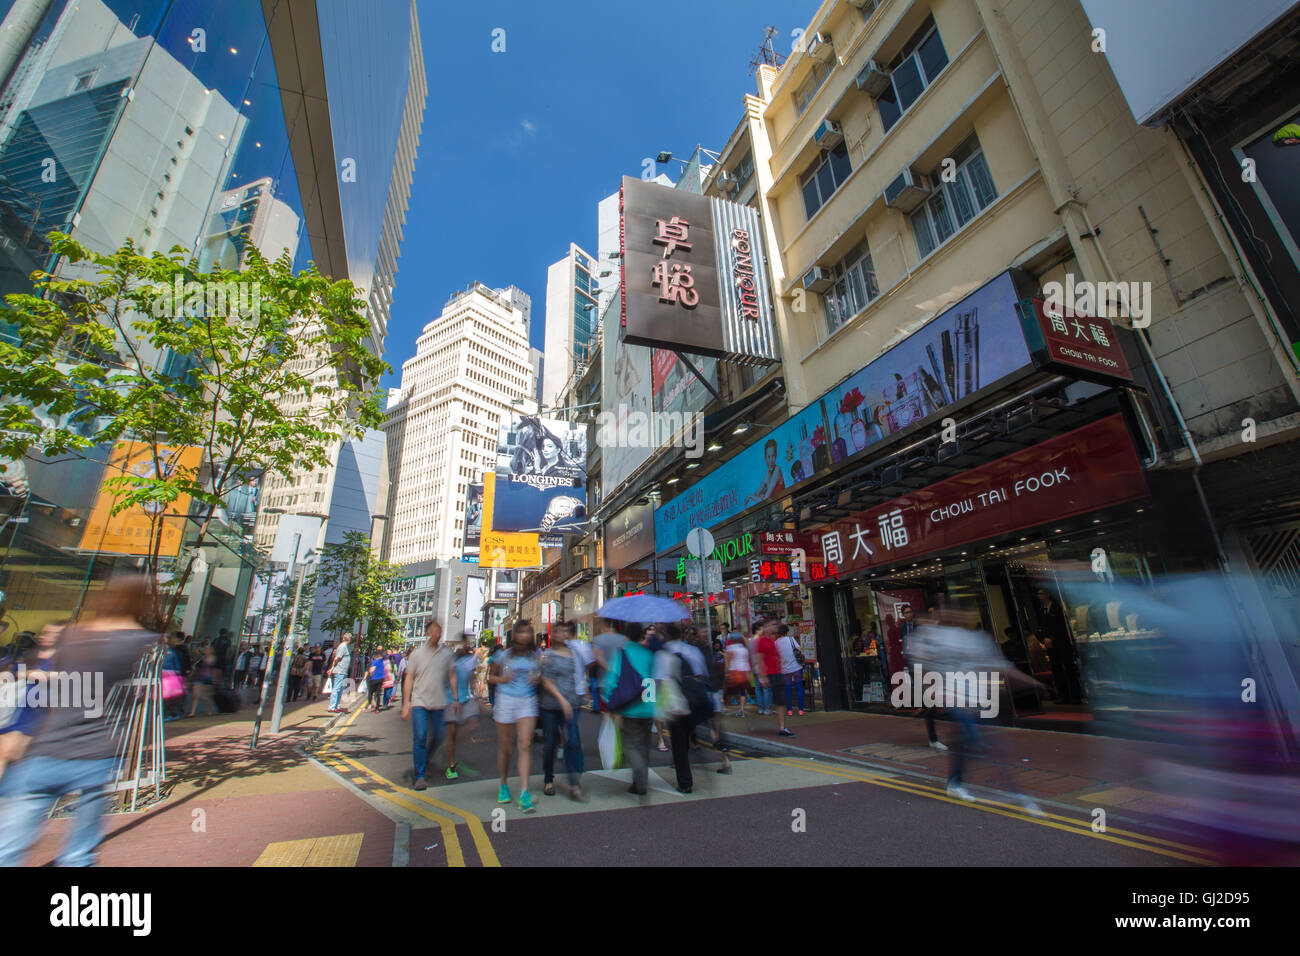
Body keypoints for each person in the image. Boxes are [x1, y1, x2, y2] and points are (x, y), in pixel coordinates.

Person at [0, 574, 158, 866]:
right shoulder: (140, 641)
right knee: (78, 855)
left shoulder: (73, 636)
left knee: (9, 848)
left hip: (47, 748)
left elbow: (54, 693)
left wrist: (23, 732)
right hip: (95, 756)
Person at [908, 604, 1044, 814]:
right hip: (954, 698)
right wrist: (933, 692)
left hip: (977, 700)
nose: (966, 616)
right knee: (979, 740)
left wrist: (1030, 681)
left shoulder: (979, 640)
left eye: (970, 613)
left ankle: (957, 784)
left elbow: (1000, 665)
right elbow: (922, 665)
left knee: (975, 744)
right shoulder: (936, 637)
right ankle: (1014, 792)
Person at [0, 620, 65, 783]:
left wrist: (43, 675)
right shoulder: (30, 656)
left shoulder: (64, 659)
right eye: (46, 633)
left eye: (53, 634)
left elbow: (71, 677)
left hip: (37, 714)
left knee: (10, 754)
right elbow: (12, 674)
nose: (47, 637)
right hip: (14, 711)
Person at [656, 622, 717, 793]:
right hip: (695, 701)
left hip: (676, 702)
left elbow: (660, 681)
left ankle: (685, 782)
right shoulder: (692, 651)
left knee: (678, 741)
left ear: (666, 635)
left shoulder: (663, 654)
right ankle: (697, 758)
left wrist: (659, 705)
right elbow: (702, 675)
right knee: (689, 735)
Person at [488, 621, 541, 812]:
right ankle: (503, 784)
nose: (524, 636)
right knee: (505, 746)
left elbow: (539, 675)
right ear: (515, 635)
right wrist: (503, 679)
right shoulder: (503, 656)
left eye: (528, 632)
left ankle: (524, 792)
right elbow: (490, 677)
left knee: (525, 744)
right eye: (521, 632)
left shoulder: (535, 655)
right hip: (506, 700)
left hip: (527, 700)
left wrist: (537, 678)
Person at [401, 620, 457, 790]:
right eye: (432, 630)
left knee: (439, 736)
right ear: (427, 632)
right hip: (419, 702)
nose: (436, 633)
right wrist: (406, 703)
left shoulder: (446, 654)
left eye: (439, 630)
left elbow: (452, 675)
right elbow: (409, 678)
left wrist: (455, 698)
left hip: (439, 702)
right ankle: (420, 775)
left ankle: (424, 761)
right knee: (420, 736)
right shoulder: (417, 654)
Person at [602, 623, 655, 796]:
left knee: (631, 745)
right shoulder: (649, 654)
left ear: (626, 636)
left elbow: (613, 680)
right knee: (644, 745)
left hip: (630, 708)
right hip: (649, 706)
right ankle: (639, 780)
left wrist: (609, 703)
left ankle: (640, 782)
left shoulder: (622, 653)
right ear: (642, 635)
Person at [538, 621, 584, 800]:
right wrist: (561, 700)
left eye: (565, 631)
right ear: (553, 634)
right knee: (550, 743)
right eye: (558, 631)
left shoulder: (574, 653)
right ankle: (548, 779)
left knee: (572, 742)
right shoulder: (548, 655)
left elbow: (579, 674)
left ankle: (574, 783)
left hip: (571, 704)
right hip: (551, 706)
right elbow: (546, 681)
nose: (562, 634)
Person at [444, 638, 479, 780]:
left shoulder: (468, 662)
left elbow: (471, 678)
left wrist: (475, 695)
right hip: (450, 699)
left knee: (472, 725)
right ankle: (451, 765)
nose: (466, 648)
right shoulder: (450, 662)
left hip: (466, 698)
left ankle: (449, 745)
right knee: (451, 731)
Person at [744, 438, 786, 507]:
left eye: (773, 456)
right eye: (768, 457)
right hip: (775, 509)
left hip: (784, 506)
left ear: (776, 456)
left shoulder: (777, 470)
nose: (771, 460)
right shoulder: (768, 473)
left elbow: (766, 498)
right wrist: (760, 495)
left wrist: (750, 496)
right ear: (765, 458)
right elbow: (757, 494)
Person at [776, 623, 806, 716]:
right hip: (796, 667)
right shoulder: (791, 639)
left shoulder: (776, 642)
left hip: (785, 670)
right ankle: (801, 710)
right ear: (787, 631)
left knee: (787, 690)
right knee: (799, 688)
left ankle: (789, 710)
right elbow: (799, 649)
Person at [723, 634, 751, 717]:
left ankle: (723, 707)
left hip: (733, 672)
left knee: (730, 691)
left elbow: (728, 662)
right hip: (743, 672)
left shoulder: (730, 648)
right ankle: (741, 709)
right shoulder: (744, 649)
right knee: (742, 692)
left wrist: (726, 672)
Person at [187, 647, 220, 717]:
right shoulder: (201, 658)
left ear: (212, 651)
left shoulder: (215, 659)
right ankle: (192, 712)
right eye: (205, 649)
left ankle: (210, 709)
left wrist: (216, 679)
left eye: (207, 649)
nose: (205, 651)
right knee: (195, 695)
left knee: (207, 696)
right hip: (200, 678)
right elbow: (196, 666)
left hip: (209, 679)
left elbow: (217, 670)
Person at [327, 635, 352, 713]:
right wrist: (332, 668)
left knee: (340, 689)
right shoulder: (342, 646)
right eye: (350, 638)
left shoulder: (344, 646)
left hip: (342, 671)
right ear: (348, 639)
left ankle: (336, 706)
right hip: (339, 671)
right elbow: (336, 658)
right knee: (337, 688)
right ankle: (332, 707)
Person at [365, 647, 390, 713]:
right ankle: (377, 708)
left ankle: (370, 704)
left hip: (374, 679)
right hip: (381, 678)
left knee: (371, 692)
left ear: (376, 656)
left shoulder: (375, 662)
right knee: (378, 693)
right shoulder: (383, 662)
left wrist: (370, 675)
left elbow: (371, 670)